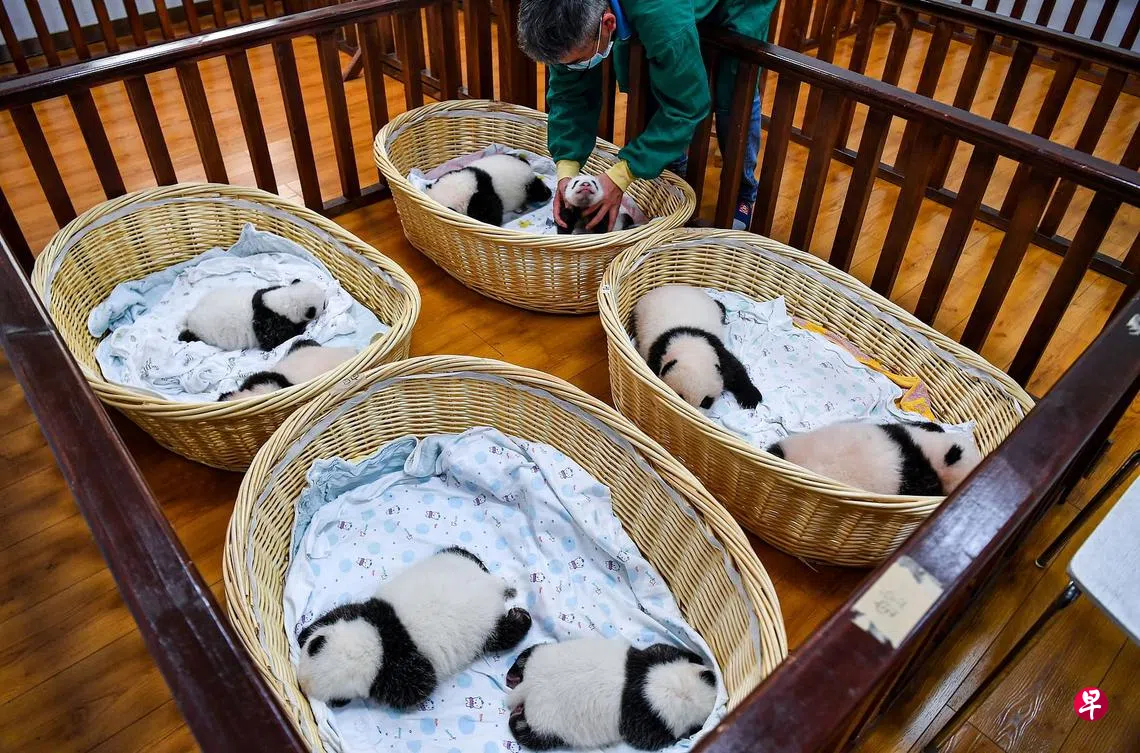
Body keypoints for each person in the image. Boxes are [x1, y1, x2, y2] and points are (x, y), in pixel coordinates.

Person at [518, 0, 776, 232]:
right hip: (665, 15)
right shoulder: (574, 22)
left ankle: (743, 193)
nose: (572, 68)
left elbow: (688, 105)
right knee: (657, 74)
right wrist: (566, 169)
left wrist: (621, 176)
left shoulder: (660, 12)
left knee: (735, 90)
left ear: (608, 23)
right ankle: (672, 169)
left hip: (740, 4)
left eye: (578, 60)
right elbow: (569, 92)